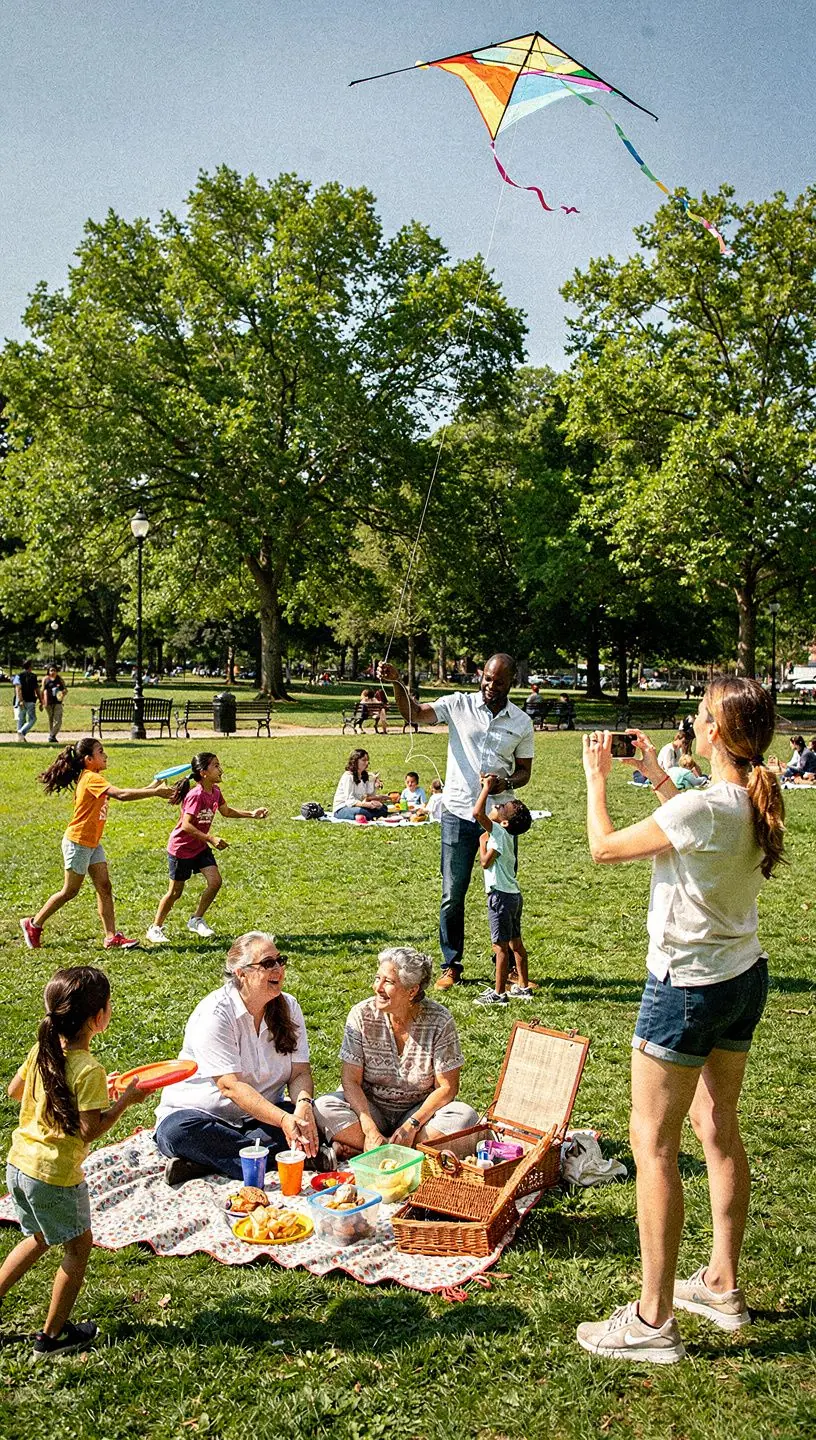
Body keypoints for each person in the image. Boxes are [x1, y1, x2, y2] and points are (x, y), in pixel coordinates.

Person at [576, 678, 784, 1364]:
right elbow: (698, 831)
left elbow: (604, 848)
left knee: (654, 1146)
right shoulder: (750, 799)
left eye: (699, 713)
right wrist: (658, 776)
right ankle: (722, 1283)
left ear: (716, 732)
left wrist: (597, 781)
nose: (692, 720)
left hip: (687, 989)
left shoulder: (705, 807)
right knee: (717, 1126)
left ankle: (653, 1320)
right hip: (742, 979)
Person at [1, 966, 144, 1359]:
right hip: (54, 1176)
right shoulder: (88, 1069)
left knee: (39, 1236)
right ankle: (52, 1336)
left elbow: (15, 1091)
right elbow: (88, 1131)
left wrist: (81, 1097)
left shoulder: (42, 1050)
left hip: (19, 1165)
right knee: (78, 1249)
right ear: (98, 1018)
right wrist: (123, 1102)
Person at [378, 654, 534, 988]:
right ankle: (452, 964)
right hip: (457, 813)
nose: (490, 686)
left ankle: (507, 966)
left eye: (499, 682)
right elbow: (414, 714)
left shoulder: (521, 722)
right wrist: (397, 682)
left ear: (511, 683)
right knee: (452, 894)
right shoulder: (458, 704)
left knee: (504, 892)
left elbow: (525, 772)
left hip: (499, 820)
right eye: (487, 678)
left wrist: (505, 782)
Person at [154, 932, 319, 1186]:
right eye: (268, 963)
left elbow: (300, 1073)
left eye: (280, 960)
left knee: (311, 1118)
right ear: (241, 973)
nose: (278, 969)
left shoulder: (289, 1007)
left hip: (260, 1117)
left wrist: (303, 1106)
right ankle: (280, 1156)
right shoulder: (215, 1013)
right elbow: (230, 1086)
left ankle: (205, 1162)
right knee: (177, 1133)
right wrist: (284, 1120)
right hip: (202, 1116)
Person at [314, 947, 478, 1158]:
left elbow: (447, 1087)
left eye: (388, 982)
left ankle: (366, 1149)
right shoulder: (361, 1015)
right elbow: (350, 1080)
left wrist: (412, 1125)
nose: (377, 987)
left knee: (465, 1117)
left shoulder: (439, 1020)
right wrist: (369, 1128)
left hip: (420, 1113)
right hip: (371, 1107)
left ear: (412, 990)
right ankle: (402, 1150)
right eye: (377, 979)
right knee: (323, 1106)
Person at [19, 738, 173, 952]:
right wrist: (155, 793)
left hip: (92, 842)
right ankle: (33, 924)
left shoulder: (95, 778)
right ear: (88, 759)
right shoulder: (91, 778)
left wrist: (152, 787)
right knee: (70, 891)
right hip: (79, 842)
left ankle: (111, 937)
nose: (105, 755)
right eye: (101, 752)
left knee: (104, 887)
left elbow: (124, 793)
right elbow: (121, 795)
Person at [146, 753, 268, 945]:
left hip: (199, 846)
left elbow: (226, 811)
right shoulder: (196, 795)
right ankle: (155, 928)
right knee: (175, 893)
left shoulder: (215, 791)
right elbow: (186, 825)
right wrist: (210, 838)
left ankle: (196, 919)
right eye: (216, 766)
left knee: (215, 881)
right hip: (181, 849)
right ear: (203, 773)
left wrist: (251, 814)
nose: (221, 770)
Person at [472, 776, 534, 1005]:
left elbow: (484, 861)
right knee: (516, 943)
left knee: (500, 948)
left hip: (499, 896)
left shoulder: (498, 832)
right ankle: (523, 987)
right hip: (514, 895)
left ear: (505, 823)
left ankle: (499, 993)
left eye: (500, 808)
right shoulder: (506, 836)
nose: (496, 806)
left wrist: (486, 788)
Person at [331, 749, 388, 820]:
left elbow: (367, 795)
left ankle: (365, 816)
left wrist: (375, 786)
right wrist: (366, 805)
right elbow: (349, 801)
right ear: (355, 761)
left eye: (367, 760)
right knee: (365, 813)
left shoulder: (364, 775)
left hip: (359, 805)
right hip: (343, 807)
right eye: (363, 760)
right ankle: (363, 816)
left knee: (383, 808)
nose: (366, 763)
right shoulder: (348, 776)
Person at [13, 659, 40, 743]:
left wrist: (20, 700)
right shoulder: (34, 676)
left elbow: (18, 689)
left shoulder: (18, 676)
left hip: (21, 700)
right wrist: (41, 700)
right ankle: (21, 732)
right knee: (33, 719)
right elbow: (37, 689)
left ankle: (20, 738)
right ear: (30, 666)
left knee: (21, 719)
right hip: (30, 700)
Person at [41, 665, 68, 744]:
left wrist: (62, 694)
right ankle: (52, 736)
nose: (52, 672)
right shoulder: (45, 679)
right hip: (48, 702)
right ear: (48, 672)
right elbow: (42, 690)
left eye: (54, 670)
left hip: (58, 702)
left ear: (56, 672)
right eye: (51, 670)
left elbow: (65, 690)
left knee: (58, 720)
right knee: (51, 719)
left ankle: (52, 735)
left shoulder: (59, 679)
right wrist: (41, 702)